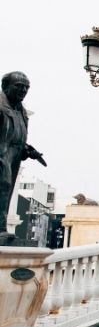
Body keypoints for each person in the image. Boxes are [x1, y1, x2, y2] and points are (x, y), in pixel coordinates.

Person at [0, 72, 45, 242]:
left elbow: (15, 137)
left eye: (26, 87)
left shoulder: (21, 111)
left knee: (6, 191)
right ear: (5, 86)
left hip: (13, 158)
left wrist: (27, 150)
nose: (24, 90)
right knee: (2, 187)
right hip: (1, 157)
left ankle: (1, 229)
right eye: (19, 86)